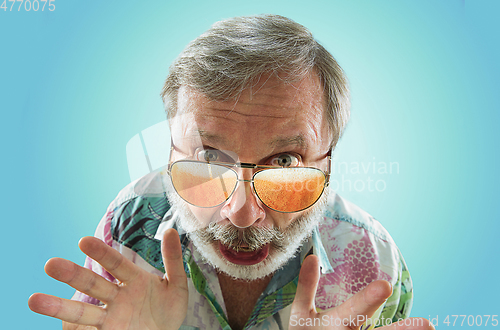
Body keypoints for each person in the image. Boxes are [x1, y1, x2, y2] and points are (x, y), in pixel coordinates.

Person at [29, 15, 432, 330]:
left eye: (284, 161)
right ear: (170, 153)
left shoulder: (373, 264)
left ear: (329, 161)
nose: (240, 213)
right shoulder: (129, 231)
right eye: (209, 157)